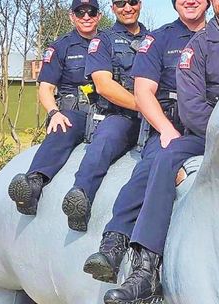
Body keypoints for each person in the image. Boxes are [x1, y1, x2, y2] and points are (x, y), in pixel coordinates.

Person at [82, 0, 210, 303]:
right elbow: (142, 91)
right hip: (171, 123)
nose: (190, 1)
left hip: (212, 124)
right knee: (150, 166)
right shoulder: (160, 39)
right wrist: (165, 128)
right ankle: (119, 246)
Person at [8, 0, 102, 216]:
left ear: (98, 16)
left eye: (91, 12)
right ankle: (33, 184)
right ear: (72, 16)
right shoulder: (60, 47)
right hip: (74, 113)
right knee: (62, 127)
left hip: (106, 111)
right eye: (80, 12)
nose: (86, 17)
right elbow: (45, 88)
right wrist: (54, 113)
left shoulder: (109, 43)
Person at [61, 0, 148, 232]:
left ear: (141, 4)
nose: (127, 7)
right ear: (112, 8)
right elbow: (103, 85)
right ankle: (81, 195)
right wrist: (145, 106)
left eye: (132, 1)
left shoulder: (155, 38)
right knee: (105, 140)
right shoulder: (103, 41)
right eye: (120, 3)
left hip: (156, 117)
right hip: (123, 115)